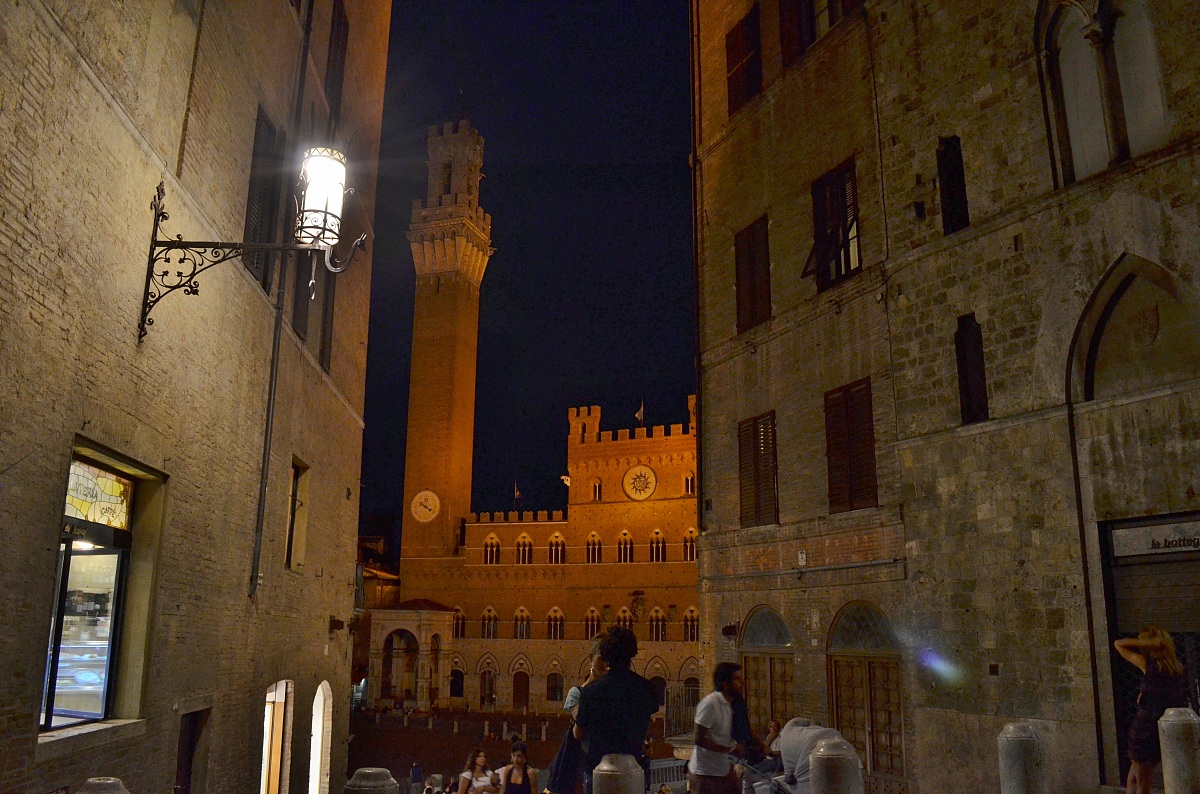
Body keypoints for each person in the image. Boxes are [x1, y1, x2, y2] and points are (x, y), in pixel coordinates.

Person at [573, 627, 659, 792]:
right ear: (632, 653)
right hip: (633, 769)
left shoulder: (591, 691)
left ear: (606, 655)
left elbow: (578, 733)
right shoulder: (645, 688)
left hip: (598, 769)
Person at [1115, 626, 1189, 794]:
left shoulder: (1149, 666)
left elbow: (1119, 644)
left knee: (1142, 784)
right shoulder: (1177, 668)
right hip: (1159, 730)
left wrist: (1147, 643)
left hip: (1145, 731)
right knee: (1134, 778)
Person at [546, 638, 607, 794]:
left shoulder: (609, 693)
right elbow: (581, 726)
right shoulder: (577, 693)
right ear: (590, 659)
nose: (604, 664)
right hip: (579, 766)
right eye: (600, 658)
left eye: (608, 659)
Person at [687, 663, 745, 794]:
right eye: (737, 679)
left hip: (724, 769)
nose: (742, 683)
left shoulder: (731, 703)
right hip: (706, 774)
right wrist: (728, 750)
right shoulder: (710, 704)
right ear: (726, 684)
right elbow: (699, 738)